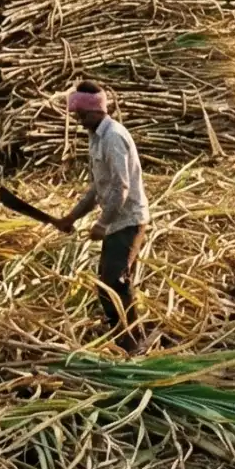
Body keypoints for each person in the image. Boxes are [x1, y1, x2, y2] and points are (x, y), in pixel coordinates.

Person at [58, 83, 148, 351]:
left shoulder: (113, 137)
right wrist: (72, 217)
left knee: (114, 283)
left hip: (128, 220)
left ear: (97, 110)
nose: (79, 120)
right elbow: (98, 189)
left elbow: (121, 187)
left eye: (83, 115)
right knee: (110, 283)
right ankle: (125, 336)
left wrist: (102, 223)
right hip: (116, 221)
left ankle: (132, 342)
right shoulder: (96, 137)